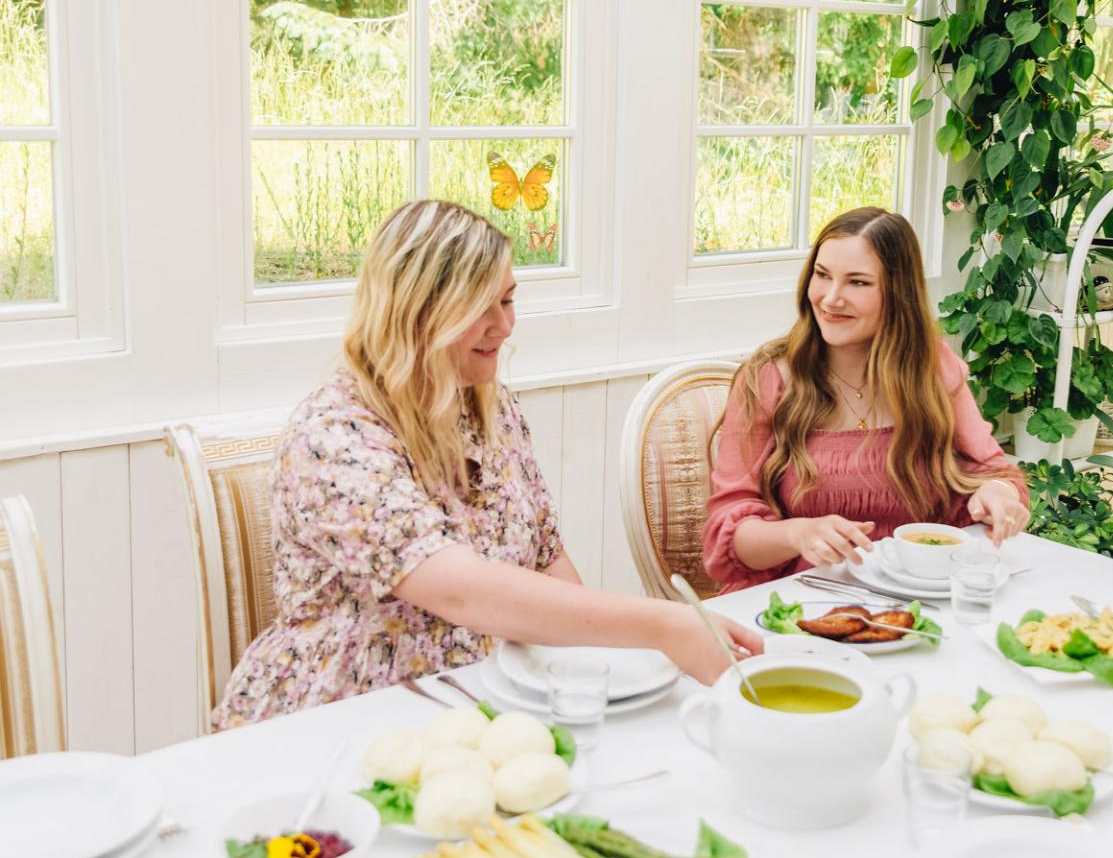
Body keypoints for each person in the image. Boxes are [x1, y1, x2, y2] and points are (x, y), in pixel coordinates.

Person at [215, 201, 759, 726]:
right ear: (417, 313)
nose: (506, 326)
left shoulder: (488, 405)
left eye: (509, 299)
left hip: (487, 692)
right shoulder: (333, 437)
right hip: (348, 711)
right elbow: (460, 590)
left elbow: (545, 554)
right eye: (483, 307)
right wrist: (662, 624)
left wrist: (602, 672)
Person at [703, 206, 1028, 591]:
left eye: (857, 283)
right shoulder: (768, 379)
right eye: (822, 276)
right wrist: (797, 534)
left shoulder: (934, 371)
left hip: (920, 599)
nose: (830, 299)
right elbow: (730, 539)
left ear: (897, 294)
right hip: (802, 602)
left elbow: (996, 473)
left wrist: (997, 493)